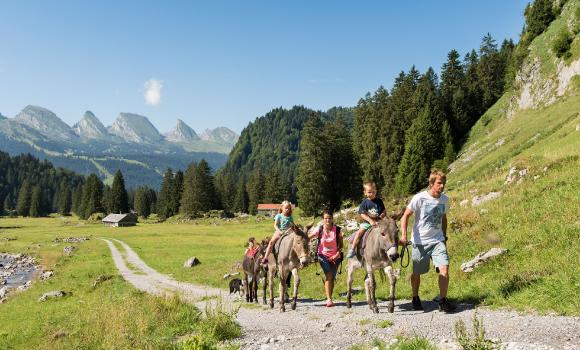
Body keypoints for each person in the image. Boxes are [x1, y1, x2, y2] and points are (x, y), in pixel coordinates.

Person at [400, 169, 456, 313]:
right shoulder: (420, 198)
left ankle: (443, 301)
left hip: (437, 240)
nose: (442, 186)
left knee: (444, 268)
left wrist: (444, 237)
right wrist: (404, 235)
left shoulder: (445, 199)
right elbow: (405, 216)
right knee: (417, 273)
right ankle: (415, 297)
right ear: (431, 183)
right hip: (420, 241)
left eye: (443, 183)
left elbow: (443, 218)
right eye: (439, 183)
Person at [308, 210, 343, 307]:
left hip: (336, 256)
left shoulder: (338, 230)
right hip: (322, 256)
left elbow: (341, 245)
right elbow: (307, 238)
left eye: (329, 218)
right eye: (325, 218)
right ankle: (329, 299)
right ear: (323, 219)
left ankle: (330, 297)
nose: (327, 220)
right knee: (329, 275)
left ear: (332, 219)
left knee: (332, 277)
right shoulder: (319, 230)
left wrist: (337, 254)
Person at [346, 182, 386, 258]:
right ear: (365, 193)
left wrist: (381, 216)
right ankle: (353, 249)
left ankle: (388, 247)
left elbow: (384, 211)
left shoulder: (379, 201)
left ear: (376, 191)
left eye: (373, 192)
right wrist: (370, 221)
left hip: (379, 222)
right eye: (369, 192)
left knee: (387, 232)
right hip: (367, 223)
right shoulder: (365, 202)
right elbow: (362, 213)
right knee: (359, 233)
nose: (371, 194)